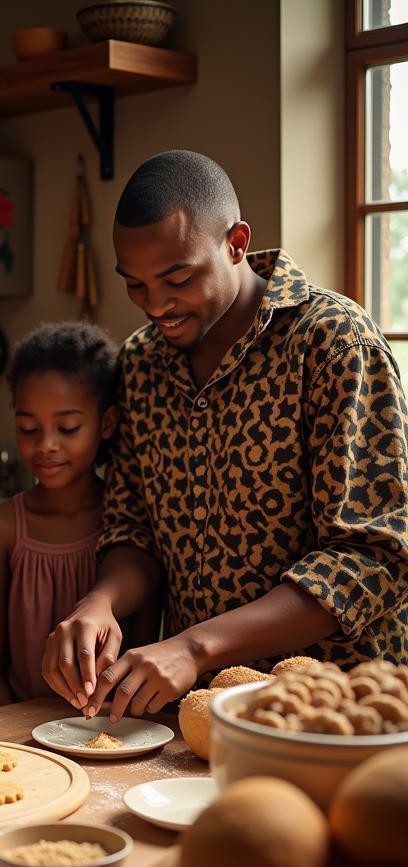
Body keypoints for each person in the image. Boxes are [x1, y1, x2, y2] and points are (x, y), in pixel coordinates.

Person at [44, 149, 408, 724]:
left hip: (336, 714)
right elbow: (134, 529)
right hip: (195, 713)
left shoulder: (335, 346)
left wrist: (194, 645)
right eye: (135, 285)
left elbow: (370, 558)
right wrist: (100, 603)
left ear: (236, 243)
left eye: (178, 278)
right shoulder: (141, 362)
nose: (155, 304)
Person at [0, 321, 160, 706]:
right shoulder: (1, 529)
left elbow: (143, 650)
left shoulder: (134, 525)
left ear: (106, 424)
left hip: (110, 728)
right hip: (18, 734)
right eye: (28, 428)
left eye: (68, 427)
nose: (46, 445)